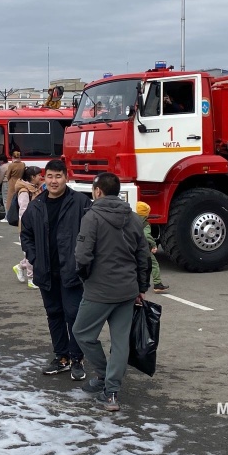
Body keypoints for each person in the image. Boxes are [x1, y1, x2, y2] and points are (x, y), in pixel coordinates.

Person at [72, 172, 151, 412]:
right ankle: (111, 392)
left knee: (82, 332)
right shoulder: (135, 218)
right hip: (127, 290)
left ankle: (103, 375)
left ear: (97, 191)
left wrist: (85, 276)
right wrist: (141, 287)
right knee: (120, 342)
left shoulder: (92, 217)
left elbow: (83, 255)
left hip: (99, 289)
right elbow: (143, 256)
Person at [20, 159, 92, 380]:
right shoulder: (37, 205)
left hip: (72, 271)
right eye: (50, 176)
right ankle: (61, 357)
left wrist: (83, 262)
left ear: (66, 178)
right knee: (54, 314)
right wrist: (34, 258)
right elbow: (26, 235)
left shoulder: (80, 202)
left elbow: (92, 234)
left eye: (58, 176)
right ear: (44, 178)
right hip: (46, 271)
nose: (53, 181)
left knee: (74, 315)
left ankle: (77, 357)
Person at [12, 166, 44, 288]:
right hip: (28, 228)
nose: (40, 177)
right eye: (38, 175)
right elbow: (23, 211)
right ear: (32, 177)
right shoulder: (24, 191)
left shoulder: (35, 189)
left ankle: (20, 267)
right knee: (31, 252)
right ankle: (31, 279)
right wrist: (28, 226)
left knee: (35, 252)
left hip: (37, 225)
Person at [136, 201, 169, 293]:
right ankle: (157, 284)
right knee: (154, 264)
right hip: (144, 248)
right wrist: (154, 244)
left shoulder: (132, 220)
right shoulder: (145, 224)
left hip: (133, 246)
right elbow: (146, 236)